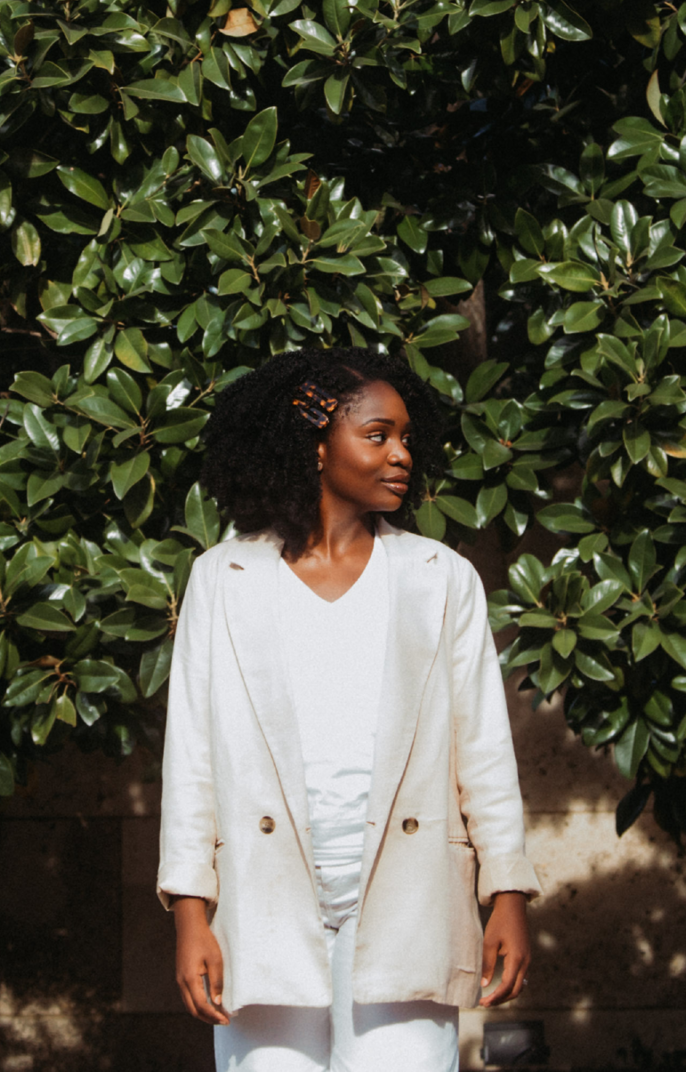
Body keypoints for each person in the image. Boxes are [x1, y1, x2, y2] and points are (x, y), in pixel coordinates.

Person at [158, 345, 539, 1072]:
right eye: (377, 435)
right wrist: (189, 913)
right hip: (261, 899)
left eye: (404, 438)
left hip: (411, 895)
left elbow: (483, 749)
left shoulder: (440, 579)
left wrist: (508, 892)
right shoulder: (223, 579)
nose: (400, 455)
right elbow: (192, 759)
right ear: (314, 442)